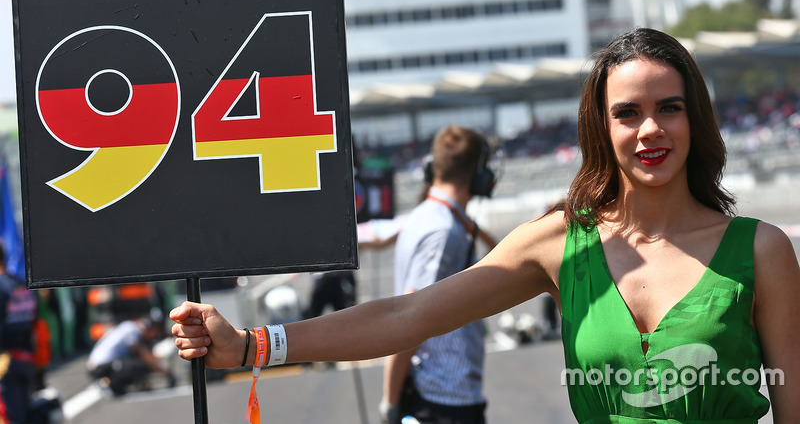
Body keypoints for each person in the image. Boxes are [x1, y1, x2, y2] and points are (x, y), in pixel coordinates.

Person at [172, 28, 800, 422]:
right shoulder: (559, 242)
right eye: (628, 113)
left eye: (670, 108)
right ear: (602, 131)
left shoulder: (762, 251)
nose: (651, 130)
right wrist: (254, 345)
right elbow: (405, 317)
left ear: (697, 121)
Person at [379, 125, 496, 424]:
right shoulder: (443, 232)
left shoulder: (426, 217)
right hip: (445, 397)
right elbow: (409, 319)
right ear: (481, 176)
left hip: (440, 395)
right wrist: (389, 404)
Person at [86, 316, 174, 396]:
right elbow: (144, 357)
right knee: (139, 365)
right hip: (100, 367)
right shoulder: (132, 331)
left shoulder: (128, 326)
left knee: (135, 361)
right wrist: (165, 371)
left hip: (99, 364)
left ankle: (114, 383)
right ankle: (110, 383)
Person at [0, 239, 38, 424]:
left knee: (13, 418)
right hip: (26, 358)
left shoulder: (1, 287)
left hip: (5, 363)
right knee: (24, 414)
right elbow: (35, 320)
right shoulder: (22, 285)